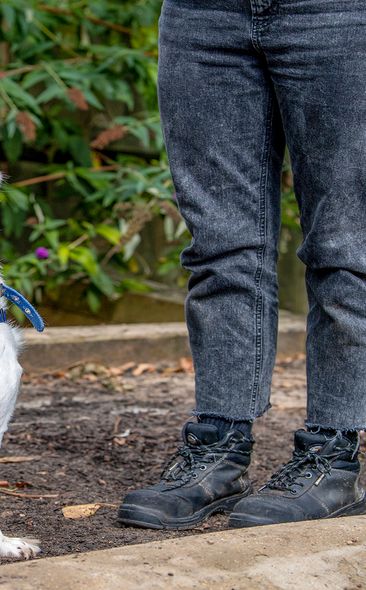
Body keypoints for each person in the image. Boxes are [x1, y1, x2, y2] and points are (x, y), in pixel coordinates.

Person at [116, 0, 366, 530]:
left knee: (343, 248)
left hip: (339, 14)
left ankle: (333, 458)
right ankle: (218, 451)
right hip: (202, 16)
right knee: (220, 248)